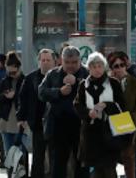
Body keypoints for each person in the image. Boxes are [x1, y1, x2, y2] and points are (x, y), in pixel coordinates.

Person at [38, 46, 89, 178]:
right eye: (67, 62)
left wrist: (78, 83)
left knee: (82, 164)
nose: (70, 66)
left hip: (81, 125)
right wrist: (58, 92)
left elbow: (96, 92)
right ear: (61, 60)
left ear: (80, 61)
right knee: (58, 164)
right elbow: (41, 92)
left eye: (74, 62)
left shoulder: (87, 74)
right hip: (58, 125)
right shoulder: (53, 74)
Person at [74, 52, 125, 178]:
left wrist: (107, 105)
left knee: (109, 170)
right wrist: (88, 113)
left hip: (110, 133)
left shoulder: (113, 84)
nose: (97, 69)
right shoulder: (83, 85)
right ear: (89, 68)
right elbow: (77, 105)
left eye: (100, 66)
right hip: (91, 135)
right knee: (96, 171)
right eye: (93, 66)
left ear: (104, 67)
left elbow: (122, 106)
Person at [17, 48, 56, 178]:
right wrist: (21, 118)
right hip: (37, 123)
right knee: (38, 156)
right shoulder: (30, 78)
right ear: (38, 61)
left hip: (55, 123)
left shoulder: (59, 76)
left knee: (54, 156)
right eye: (42, 60)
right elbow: (23, 99)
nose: (45, 62)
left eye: (48, 60)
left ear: (54, 61)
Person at [108, 51, 136, 178]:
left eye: (122, 65)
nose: (120, 68)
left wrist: (134, 115)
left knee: (128, 156)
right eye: (116, 66)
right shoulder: (108, 83)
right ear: (112, 68)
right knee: (111, 156)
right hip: (112, 120)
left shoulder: (134, 82)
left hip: (127, 120)